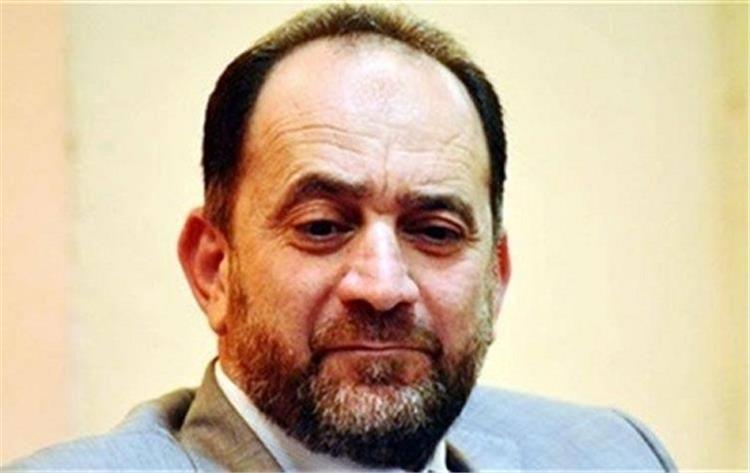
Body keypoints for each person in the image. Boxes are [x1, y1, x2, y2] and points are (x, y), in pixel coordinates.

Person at [7, 4, 676, 472]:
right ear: (214, 269)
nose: (383, 287)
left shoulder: (614, 456)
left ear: (494, 280)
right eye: (322, 227)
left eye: (435, 231)